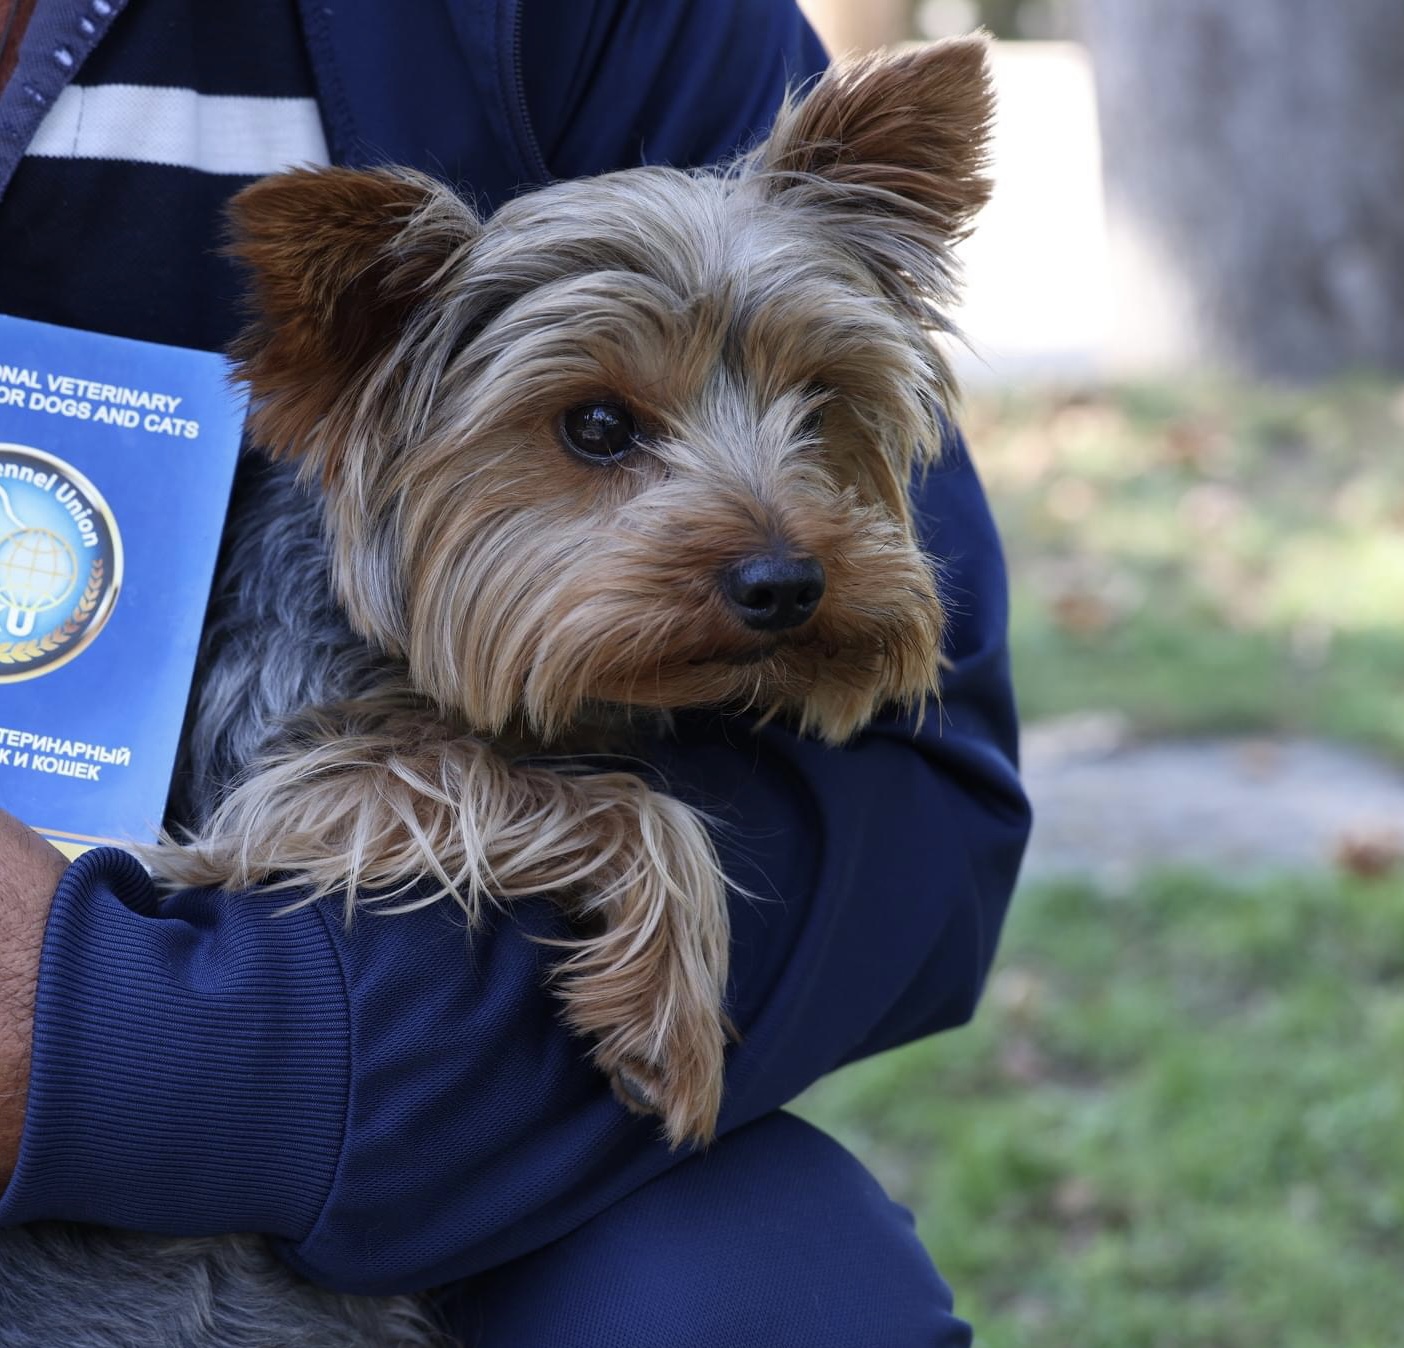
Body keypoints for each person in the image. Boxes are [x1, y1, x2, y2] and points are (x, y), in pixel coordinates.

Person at [0, 1, 1031, 1343]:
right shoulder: (372, 426)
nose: (773, 542)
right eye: (605, 431)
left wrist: (126, 1039)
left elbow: (921, 792)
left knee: (773, 1294)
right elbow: (266, 823)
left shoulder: (577, 25)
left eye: (816, 413)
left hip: (326, 1080)